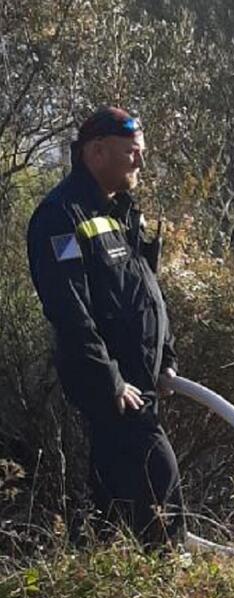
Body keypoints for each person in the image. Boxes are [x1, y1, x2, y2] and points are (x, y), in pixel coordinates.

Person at [26, 107, 184, 548]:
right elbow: (68, 308)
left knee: (114, 499)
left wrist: (166, 356)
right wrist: (109, 378)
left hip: (140, 380)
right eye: (132, 152)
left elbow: (144, 290)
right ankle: (172, 571)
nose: (141, 161)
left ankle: (104, 570)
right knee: (158, 473)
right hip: (114, 388)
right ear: (96, 153)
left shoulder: (120, 211)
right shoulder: (60, 217)